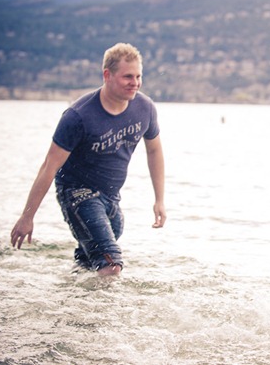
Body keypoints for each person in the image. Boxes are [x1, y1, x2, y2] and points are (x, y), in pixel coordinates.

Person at [10, 42, 166, 277]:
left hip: (111, 196)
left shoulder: (145, 108)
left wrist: (159, 200)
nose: (135, 83)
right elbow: (49, 166)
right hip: (76, 193)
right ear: (107, 75)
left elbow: (154, 151)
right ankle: (110, 313)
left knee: (92, 258)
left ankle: (72, 298)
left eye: (138, 76)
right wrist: (27, 216)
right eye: (127, 77)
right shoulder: (78, 116)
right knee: (110, 263)